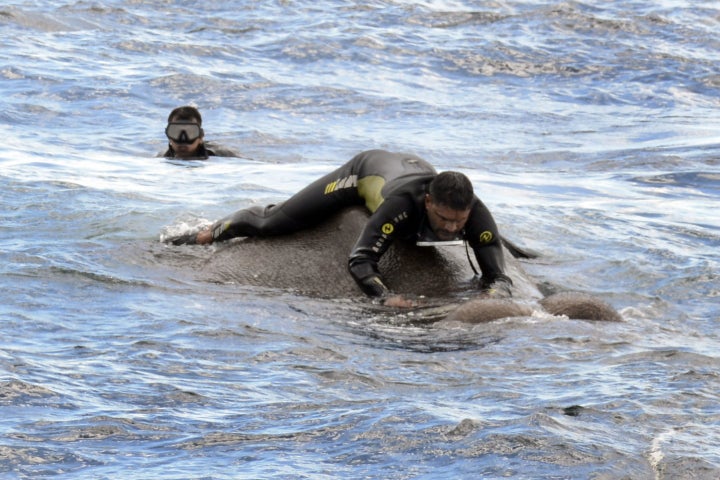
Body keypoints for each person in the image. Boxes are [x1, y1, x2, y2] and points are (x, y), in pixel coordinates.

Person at [168, 149, 512, 307]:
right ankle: (209, 231)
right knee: (272, 224)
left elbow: (498, 276)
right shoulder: (401, 207)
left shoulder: (474, 213)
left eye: (459, 222)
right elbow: (360, 261)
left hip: (414, 166)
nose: (452, 229)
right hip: (365, 172)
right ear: (427, 203)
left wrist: (494, 296)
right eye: (444, 220)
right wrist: (385, 297)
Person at [160, 105, 239, 160]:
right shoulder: (161, 158)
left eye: (190, 132)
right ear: (169, 136)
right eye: (176, 132)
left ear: (201, 137)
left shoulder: (223, 155)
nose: (183, 140)